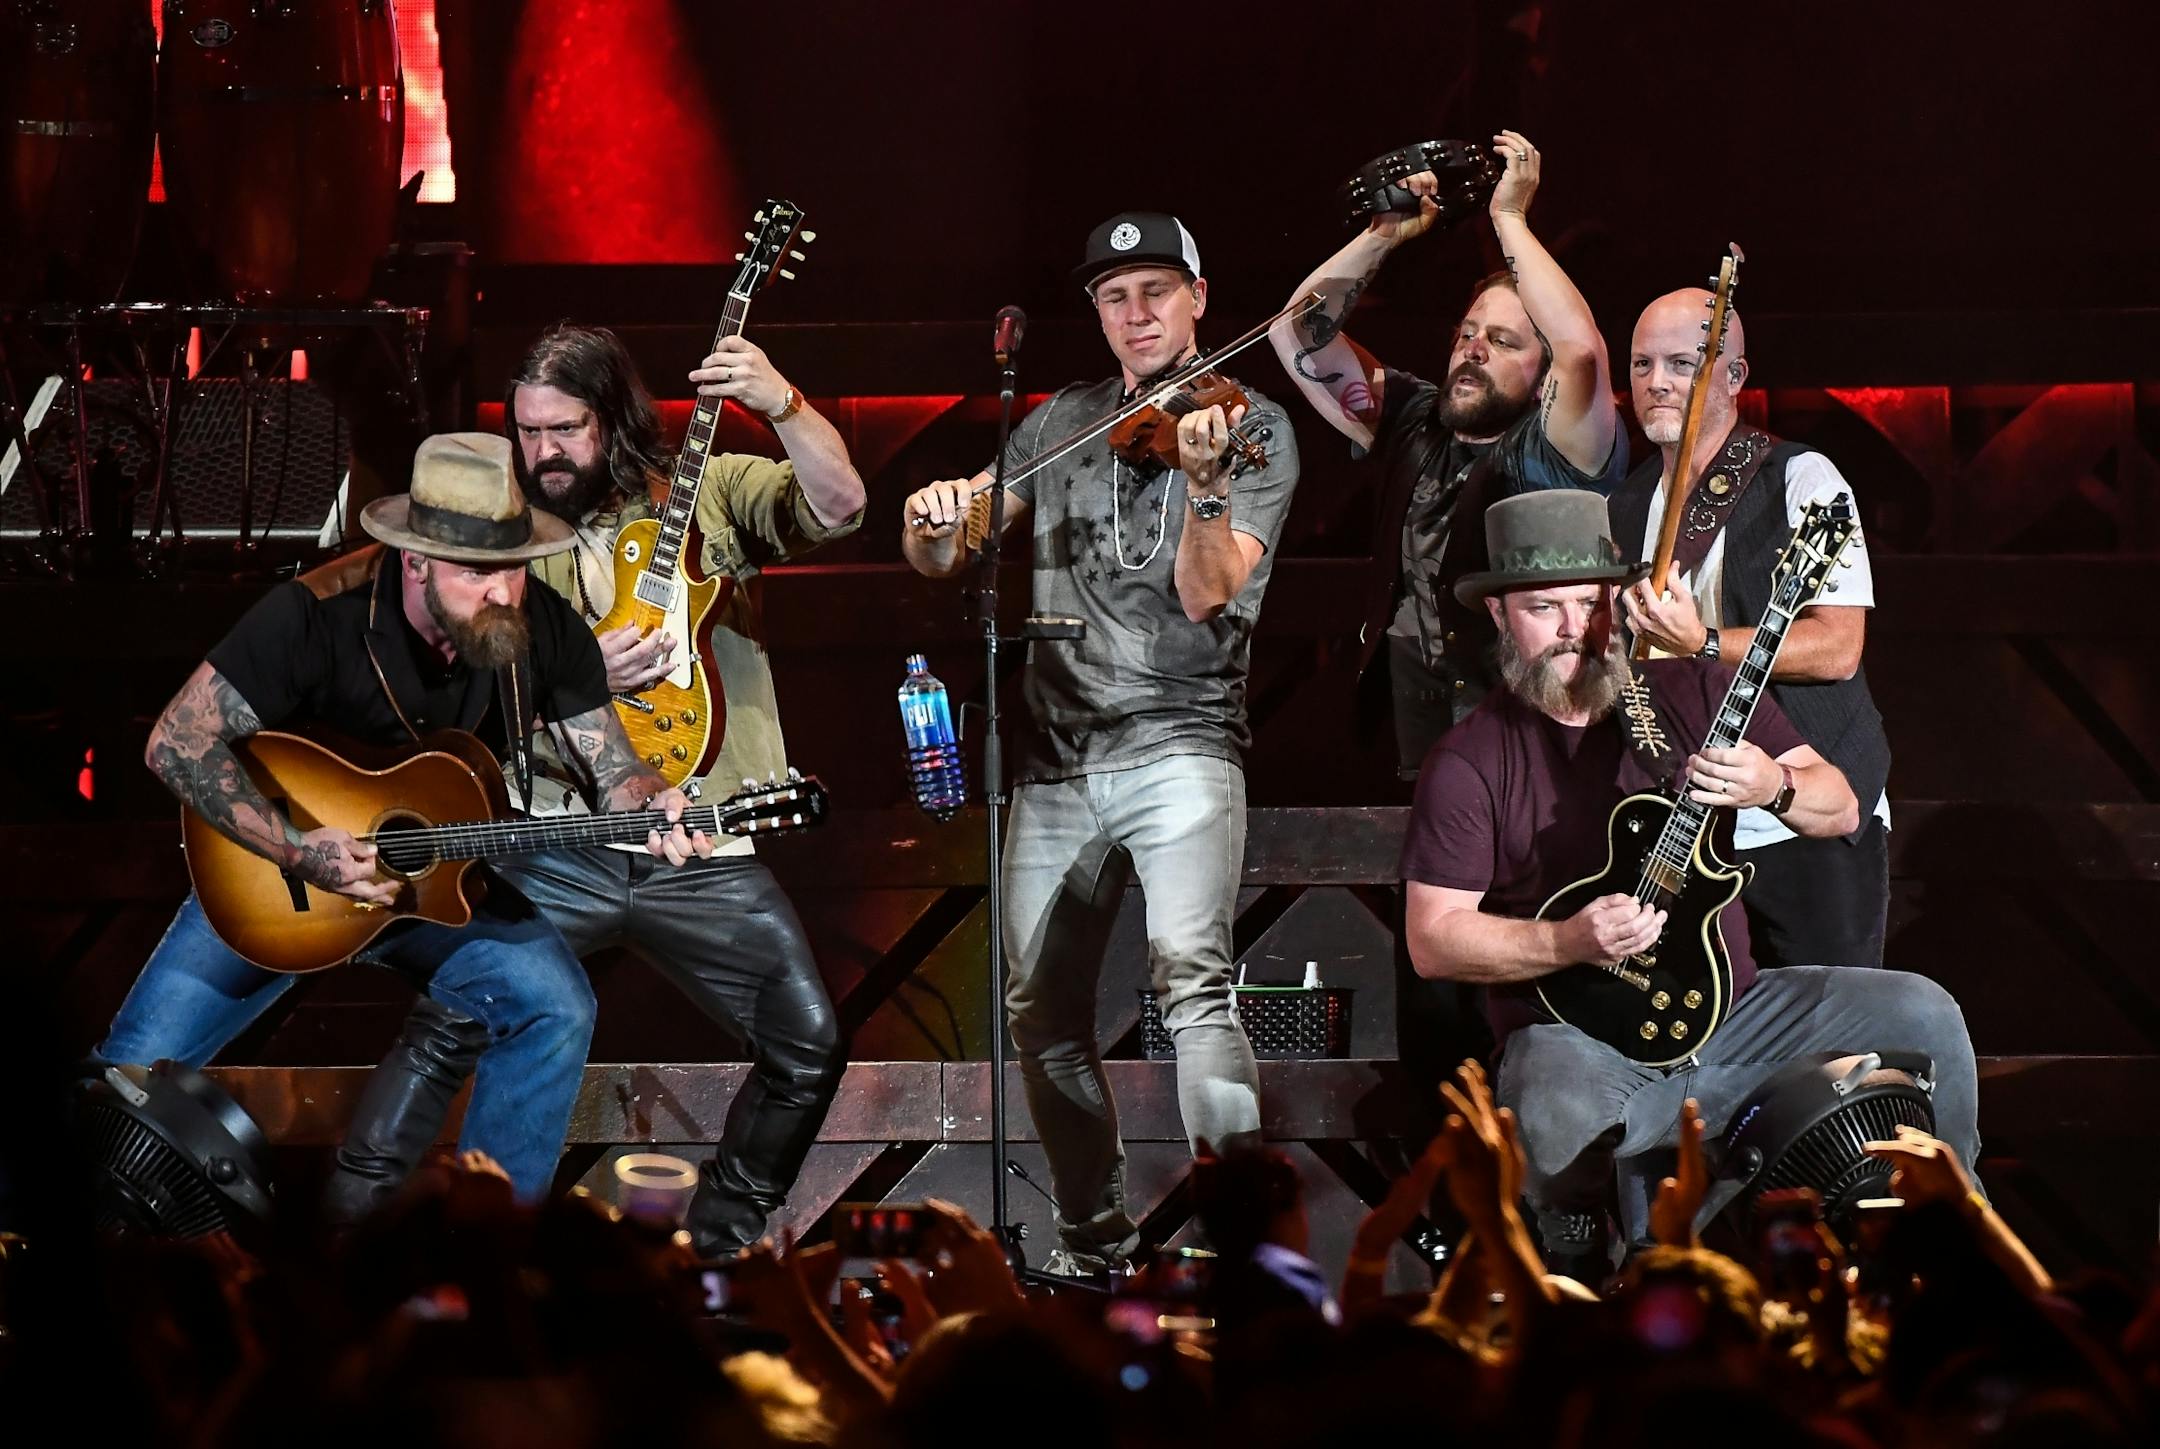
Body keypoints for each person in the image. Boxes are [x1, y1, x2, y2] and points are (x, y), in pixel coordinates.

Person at [330, 324, 864, 1255]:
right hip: (552, 840)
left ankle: (715, 1255)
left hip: (697, 842)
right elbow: (443, 697)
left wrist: (782, 403)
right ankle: (347, 1241)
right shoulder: (500, 533)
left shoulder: (713, 490)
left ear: (612, 419)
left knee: (808, 1042)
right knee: (448, 1021)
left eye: (564, 430)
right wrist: (575, 683)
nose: (542, 454)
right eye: (527, 431)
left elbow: (842, 502)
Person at [96, 433, 715, 1202]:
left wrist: (657, 803)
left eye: (513, 568)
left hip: (435, 893)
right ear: (415, 559)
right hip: (281, 884)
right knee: (122, 1080)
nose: (501, 593)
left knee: (556, 1006)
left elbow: (614, 768)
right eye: (474, 572)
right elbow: (174, 742)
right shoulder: (317, 614)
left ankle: (489, 1254)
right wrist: (295, 850)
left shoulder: (538, 627)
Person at [1398, 489, 1977, 1267]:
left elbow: (1839, 808)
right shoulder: (1471, 759)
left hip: (1737, 1013)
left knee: (1924, 1011)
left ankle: (1962, 1235)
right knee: (1547, 1094)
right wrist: (1567, 938)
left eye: (1591, 602)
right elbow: (1434, 940)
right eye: (1546, 607)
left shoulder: (1694, 692)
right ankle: (1587, 1268)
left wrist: (1772, 782)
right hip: (1585, 1039)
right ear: (1501, 616)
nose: (1576, 629)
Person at [902, 212, 1300, 1275]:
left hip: (1183, 744)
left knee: (1192, 980)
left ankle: (1247, 1251)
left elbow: (1210, 591)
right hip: (1057, 758)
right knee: (1039, 1011)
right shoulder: (1060, 421)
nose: (1136, 315)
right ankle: (1093, 1240)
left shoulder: (1252, 425)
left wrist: (1207, 487)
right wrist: (933, 514)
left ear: (1201, 299)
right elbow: (954, 553)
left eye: (1157, 291)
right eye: (1115, 298)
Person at [1270, 130, 1626, 773]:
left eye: (1503, 341)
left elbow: (1580, 350)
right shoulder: (1413, 416)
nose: (1474, 349)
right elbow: (1296, 332)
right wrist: (1384, 233)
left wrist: (1509, 217)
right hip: (1404, 726)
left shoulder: (1558, 441)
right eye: (1467, 333)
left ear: (1543, 376)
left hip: (1529, 730)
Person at [1609, 290, 1893, 966]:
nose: (1656, 382)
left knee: (1831, 1044)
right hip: (1685, 828)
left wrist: (1702, 643)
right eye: (1641, 363)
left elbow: (1838, 648)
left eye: (1682, 363)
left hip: (1806, 811)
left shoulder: (1800, 476)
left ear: (1734, 377)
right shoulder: (1623, 504)